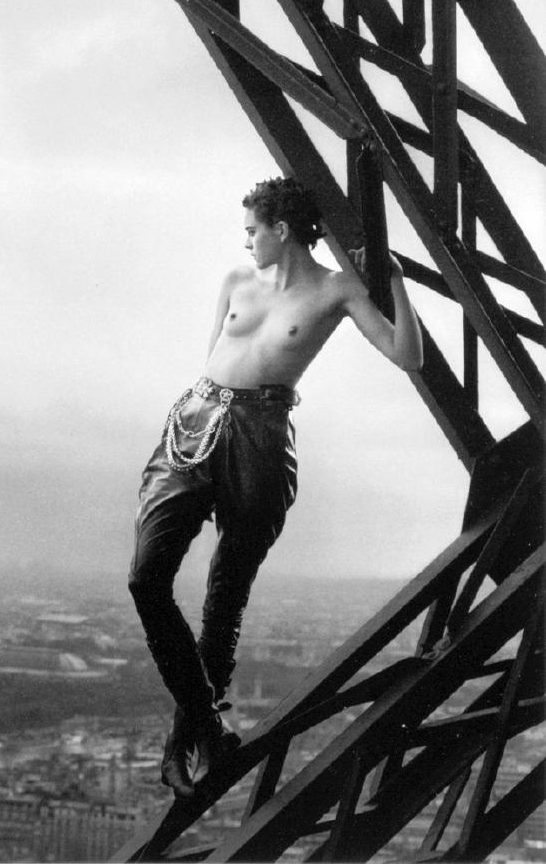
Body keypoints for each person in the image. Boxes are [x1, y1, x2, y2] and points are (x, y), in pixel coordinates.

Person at [128, 176, 423, 799]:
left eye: (253, 232)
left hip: (262, 434)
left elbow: (406, 354)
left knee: (224, 595)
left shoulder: (336, 290)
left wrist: (393, 277)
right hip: (196, 421)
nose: (248, 244)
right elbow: (212, 357)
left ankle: (191, 737)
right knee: (145, 577)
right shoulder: (237, 283)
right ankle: (207, 727)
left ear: (281, 230)